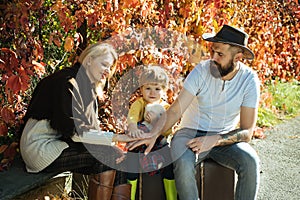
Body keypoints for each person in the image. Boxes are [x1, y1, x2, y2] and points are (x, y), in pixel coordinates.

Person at [128, 25, 261, 200]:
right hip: (189, 134)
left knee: (250, 161)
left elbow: (246, 131)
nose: (213, 58)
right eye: (213, 51)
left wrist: (215, 140)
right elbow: (175, 110)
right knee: (183, 163)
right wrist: (154, 133)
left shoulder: (249, 80)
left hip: (223, 137)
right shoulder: (201, 71)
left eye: (220, 55)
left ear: (237, 58)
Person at [20, 43, 140, 200]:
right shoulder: (68, 82)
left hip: (60, 145)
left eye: (110, 67)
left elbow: (86, 134)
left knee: (117, 157)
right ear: (89, 60)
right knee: (108, 158)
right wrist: (119, 137)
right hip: (40, 149)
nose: (107, 71)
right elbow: (77, 133)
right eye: (104, 64)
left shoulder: (85, 85)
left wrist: (112, 144)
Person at [126, 66, 177, 200]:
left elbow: (167, 130)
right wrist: (133, 127)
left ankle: (171, 196)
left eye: (157, 88)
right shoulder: (139, 103)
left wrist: (156, 121)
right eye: (148, 88)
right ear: (141, 89)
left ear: (164, 90)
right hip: (141, 139)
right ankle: (130, 194)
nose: (152, 92)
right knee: (131, 156)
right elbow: (132, 117)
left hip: (159, 141)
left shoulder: (166, 107)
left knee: (168, 158)